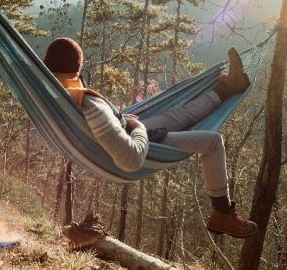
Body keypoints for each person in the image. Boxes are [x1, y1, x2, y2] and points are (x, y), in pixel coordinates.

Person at [43, 37, 259, 238]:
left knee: (178, 115)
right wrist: (138, 128)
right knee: (213, 142)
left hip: (118, 133)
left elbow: (100, 127)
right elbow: (130, 158)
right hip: (136, 145)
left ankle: (229, 86)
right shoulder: (90, 103)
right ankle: (222, 215)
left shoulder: (55, 94)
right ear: (78, 67)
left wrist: (120, 118)